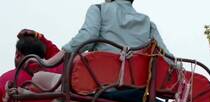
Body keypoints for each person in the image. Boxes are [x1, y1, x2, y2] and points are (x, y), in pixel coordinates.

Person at [43, 0, 171, 67]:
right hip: (137, 85)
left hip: (100, 83)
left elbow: (87, 36)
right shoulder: (148, 23)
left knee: (40, 78)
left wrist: (51, 61)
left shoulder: (99, 9)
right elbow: (167, 56)